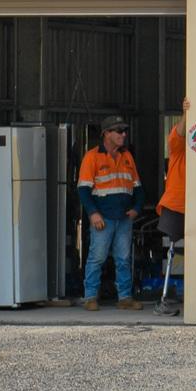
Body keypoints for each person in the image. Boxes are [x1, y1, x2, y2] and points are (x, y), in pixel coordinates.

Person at [76, 119, 142, 311]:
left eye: (124, 131)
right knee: (97, 257)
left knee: (123, 259)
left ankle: (125, 298)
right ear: (106, 133)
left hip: (123, 218)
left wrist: (136, 208)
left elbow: (138, 188)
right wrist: (93, 213)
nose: (123, 135)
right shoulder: (92, 157)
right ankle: (90, 297)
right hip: (103, 219)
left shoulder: (127, 156)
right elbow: (83, 189)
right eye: (119, 131)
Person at [154, 112, 192, 315]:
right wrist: (186, 114)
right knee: (172, 250)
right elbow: (178, 133)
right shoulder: (179, 147)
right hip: (176, 204)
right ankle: (165, 297)